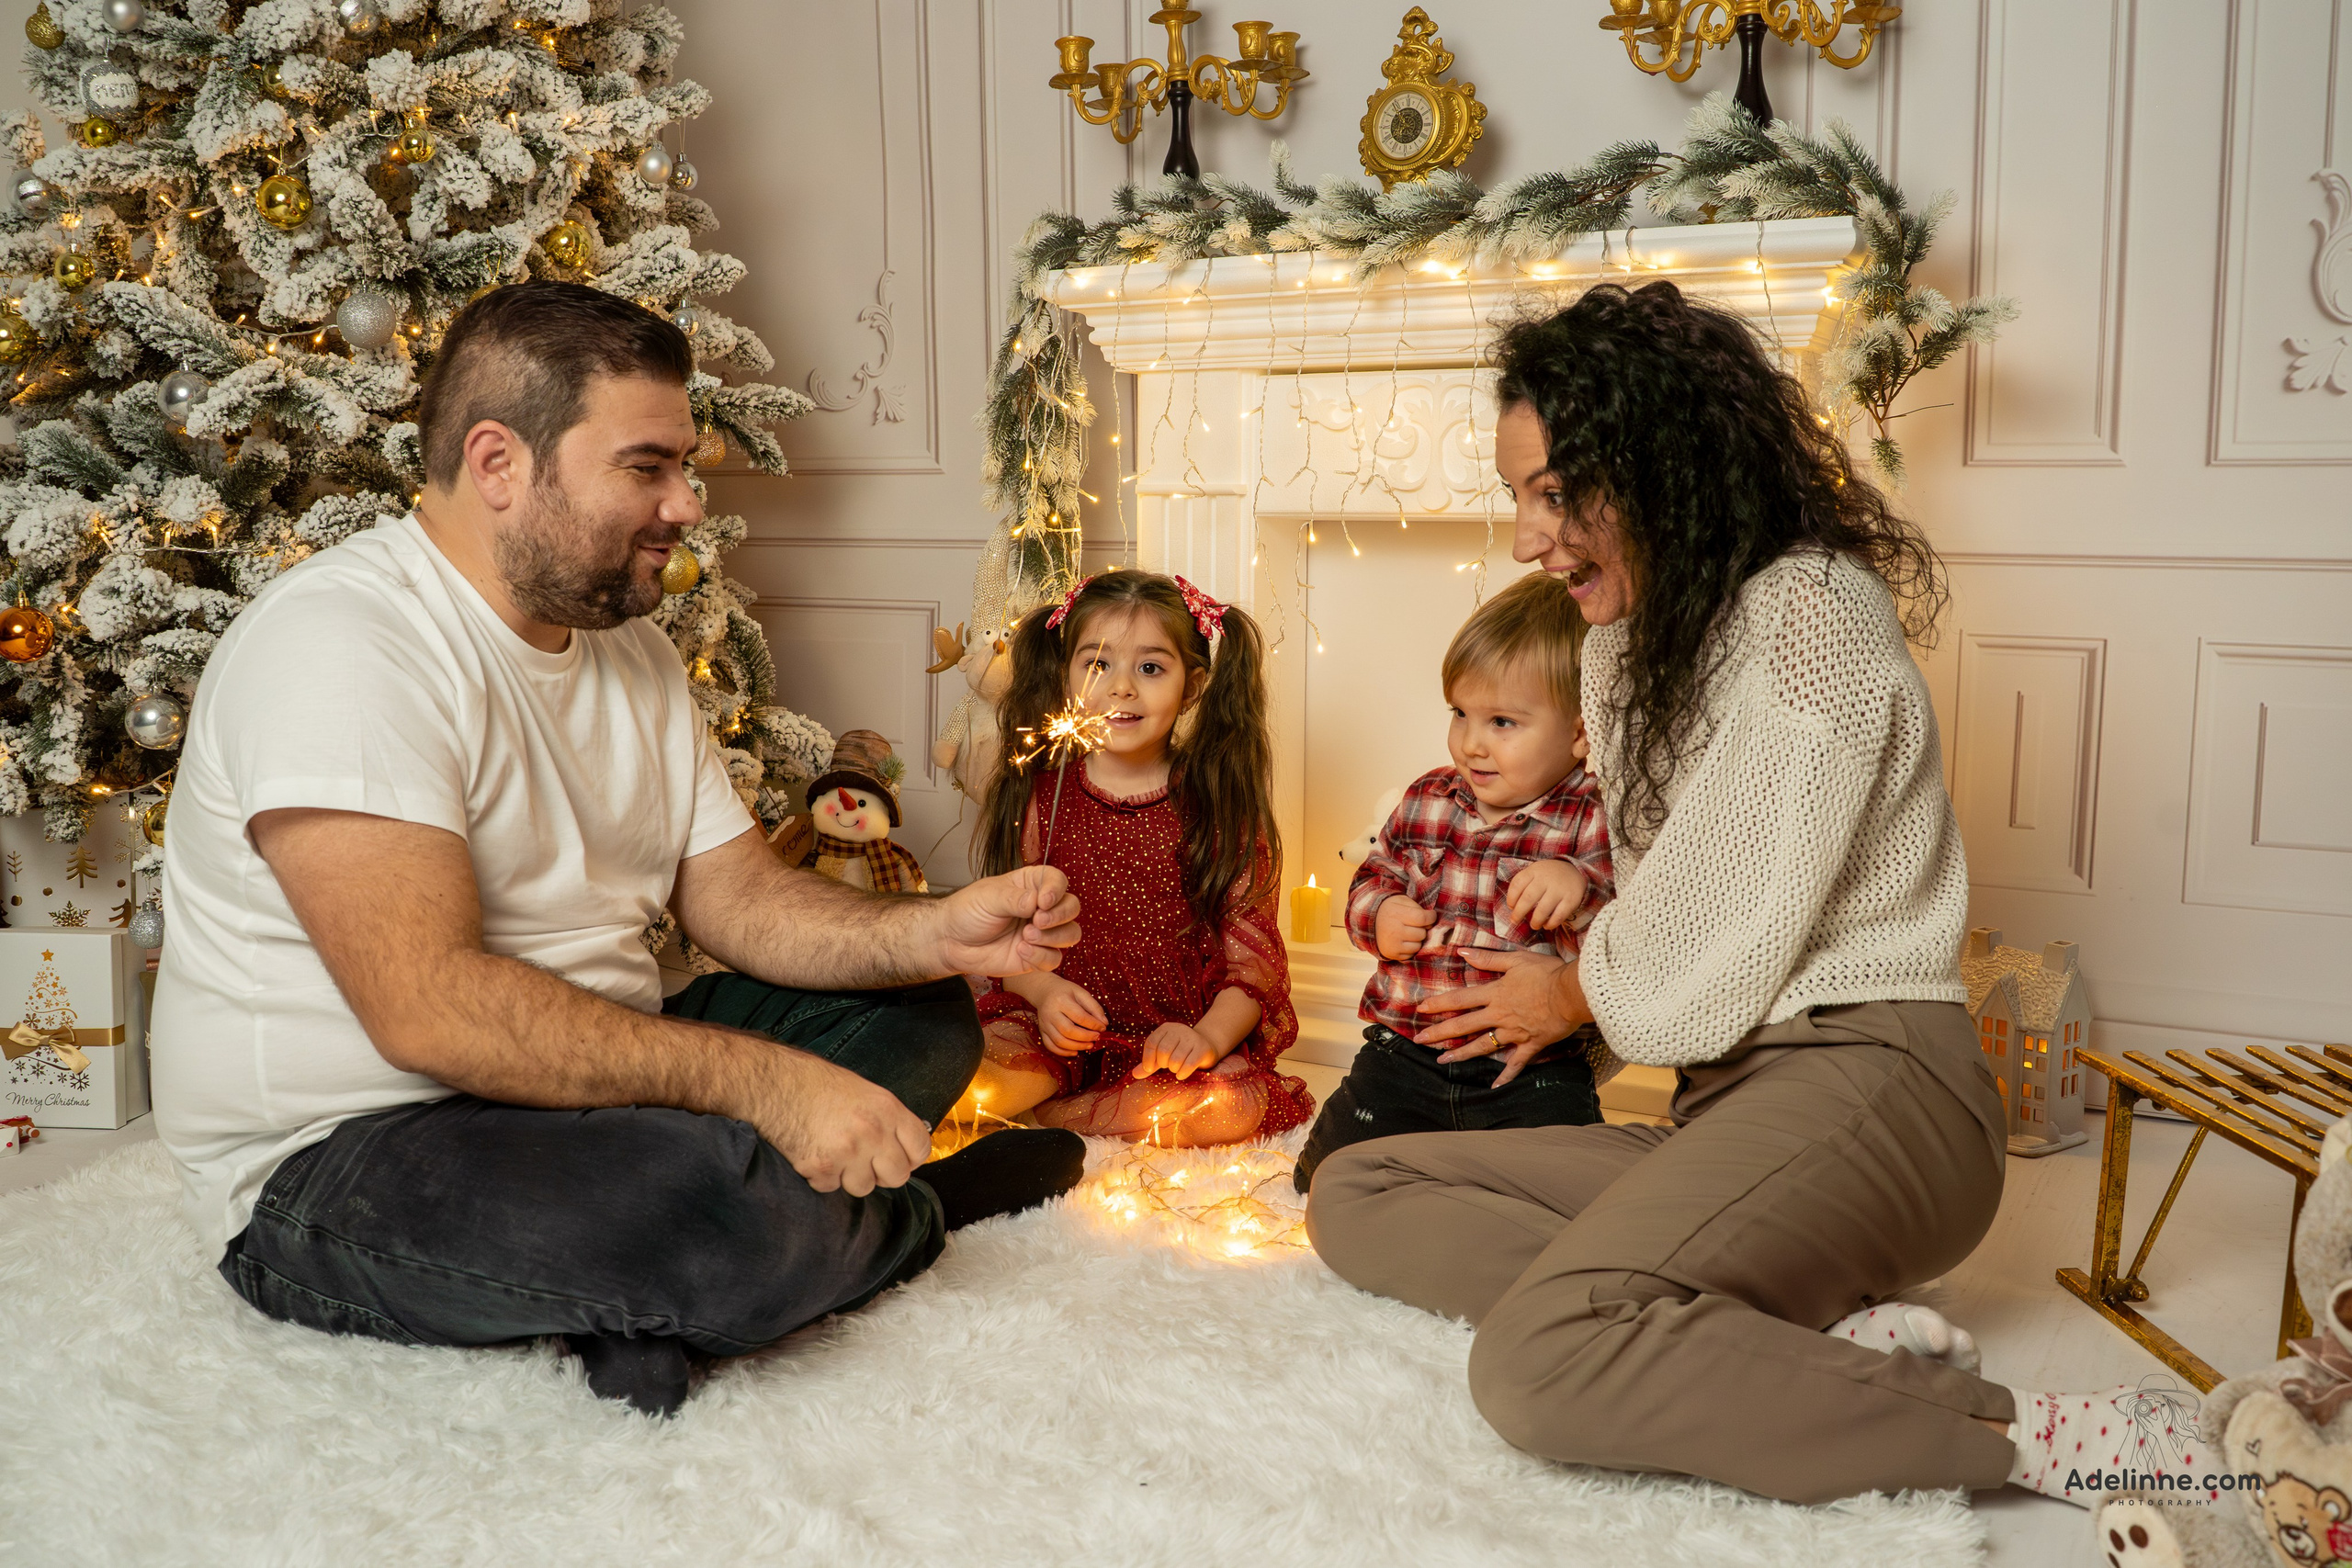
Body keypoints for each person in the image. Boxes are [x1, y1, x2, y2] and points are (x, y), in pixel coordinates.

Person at [1304, 282, 2221, 1506]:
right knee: (1360, 1188)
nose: (1526, 536)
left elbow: (1706, 942)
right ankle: (1781, 1341)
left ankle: (2034, 1433)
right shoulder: (1634, 639)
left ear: (1657, 467)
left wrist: (1572, 986)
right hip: (1736, 1104)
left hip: (1879, 1083)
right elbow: (1667, 893)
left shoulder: (1810, 619)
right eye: (1521, 494)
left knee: (1538, 1358)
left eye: (1552, 493)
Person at [153, 282, 1090, 1419]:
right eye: (646, 466)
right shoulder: (342, 647)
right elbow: (431, 1011)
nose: (687, 503)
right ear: (499, 462)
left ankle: (659, 1289)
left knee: (917, 1006)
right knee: (699, 1205)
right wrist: (774, 1088)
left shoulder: (630, 654)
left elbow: (736, 897)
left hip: (588, 1082)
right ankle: (898, 1219)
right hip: (349, 1149)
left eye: (684, 467)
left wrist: (930, 929)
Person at [964, 569, 1314, 1146]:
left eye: (1150, 668)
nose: (1121, 687)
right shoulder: (1041, 798)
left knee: (1230, 1105)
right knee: (974, 1082)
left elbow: (1252, 970)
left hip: (1170, 1046)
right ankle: (1056, 1101)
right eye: (1097, 664)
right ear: (1066, 674)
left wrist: (1204, 1039)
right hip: (1058, 1033)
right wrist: (1045, 995)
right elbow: (1005, 943)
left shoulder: (1219, 808)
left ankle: (1060, 1117)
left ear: (1193, 685)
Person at [1291, 572, 1613, 1193]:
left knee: (1571, 1191)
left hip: (1530, 1066)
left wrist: (1579, 891)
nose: (1471, 742)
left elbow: (1622, 947)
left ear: (1578, 732)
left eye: (1502, 722)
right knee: (1325, 1179)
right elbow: (1371, 876)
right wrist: (1380, 913)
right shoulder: (1428, 797)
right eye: (1460, 713)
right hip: (1405, 1054)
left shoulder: (1591, 818)